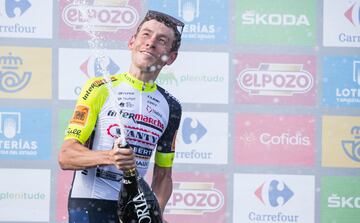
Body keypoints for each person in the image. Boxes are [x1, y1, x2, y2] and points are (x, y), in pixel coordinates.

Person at [58, 10, 184, 223]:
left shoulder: (171, 106)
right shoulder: (100, 87)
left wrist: (155, 214)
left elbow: (163, 175)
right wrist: (109, 157)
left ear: (171, 57)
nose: (151, 43)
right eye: (145, 35)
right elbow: (66, 156)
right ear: (131, 42)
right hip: (91, 207)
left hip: (135, 212)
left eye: (161, 40)